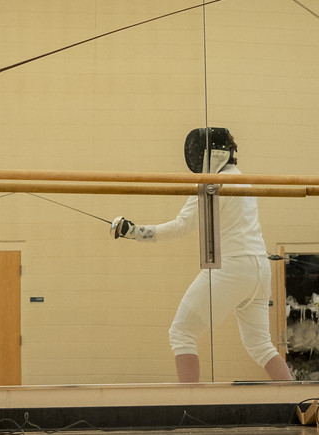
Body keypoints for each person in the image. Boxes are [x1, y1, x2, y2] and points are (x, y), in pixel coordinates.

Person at [110, 127, 293, 383]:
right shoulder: (240, 177)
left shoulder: (213, 183)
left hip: (233, 268)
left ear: (213, 154)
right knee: (261, 345)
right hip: (259, 270)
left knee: (181, 333)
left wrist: (135, 232)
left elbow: (182, 225)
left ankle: (191, 404)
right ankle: (299, 400)